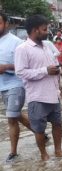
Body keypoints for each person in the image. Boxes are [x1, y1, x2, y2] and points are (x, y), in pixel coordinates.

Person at [15, 15, 62, 161]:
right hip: (37, 96)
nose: (47, 31)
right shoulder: (22, 49)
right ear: (35, 30)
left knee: (58, 124)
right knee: (39, 129)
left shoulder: (47, 46)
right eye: (45, 29)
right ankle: (44, 155)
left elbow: (54, 64)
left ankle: (58, 151)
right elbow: (20, 72)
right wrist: (45, 71)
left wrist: (58, 74)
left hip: (53, 94)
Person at [0, 12, 34, 162]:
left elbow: (27, 65)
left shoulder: (16, 42)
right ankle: (39, 131)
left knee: (11, 117)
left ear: (7, 24)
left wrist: (6, 66)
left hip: (15, 84)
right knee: (15, 114)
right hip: (1, 85)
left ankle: (13, 153)